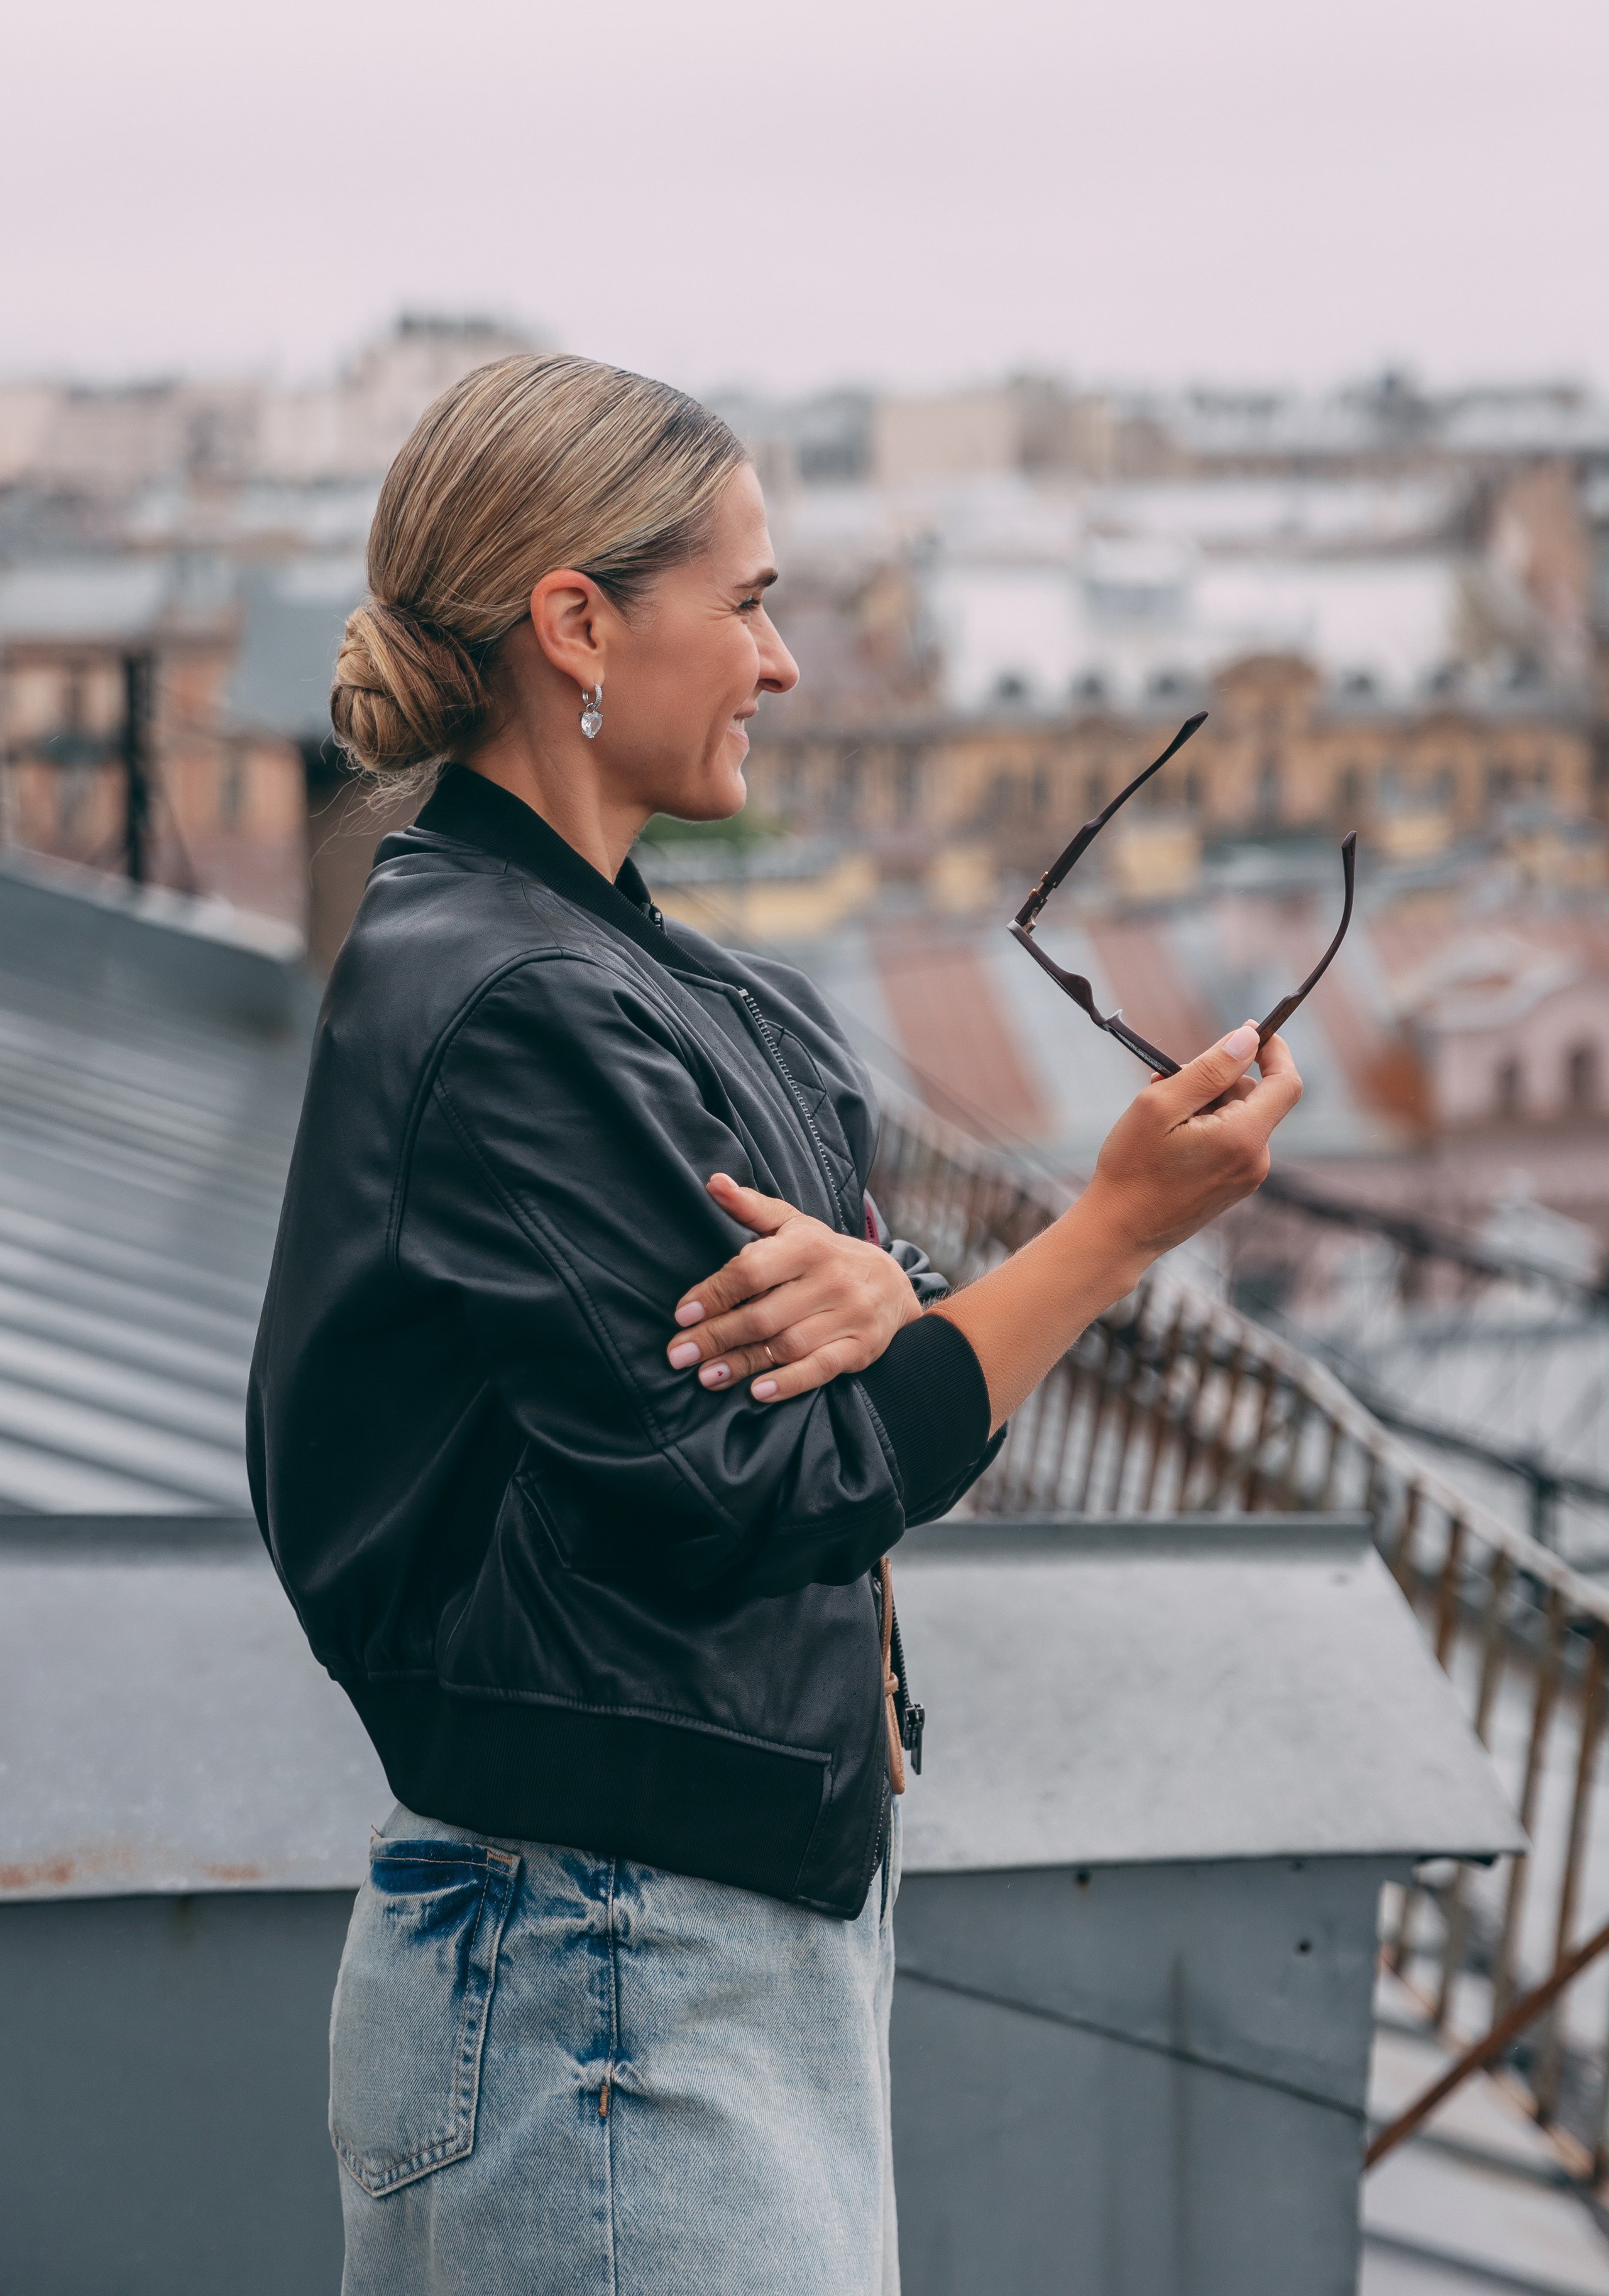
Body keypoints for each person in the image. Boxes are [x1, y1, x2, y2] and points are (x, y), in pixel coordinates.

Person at [247, 353, 1301, 2296]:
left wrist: (893, 1292)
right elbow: (769, 1476)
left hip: (678, 1962)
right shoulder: (517, 1006)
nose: (786, 665)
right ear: (576, 620)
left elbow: (865, 1356)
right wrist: (1117, 1227)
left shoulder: (648, 980)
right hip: (607, 1976)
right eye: (748, 604)